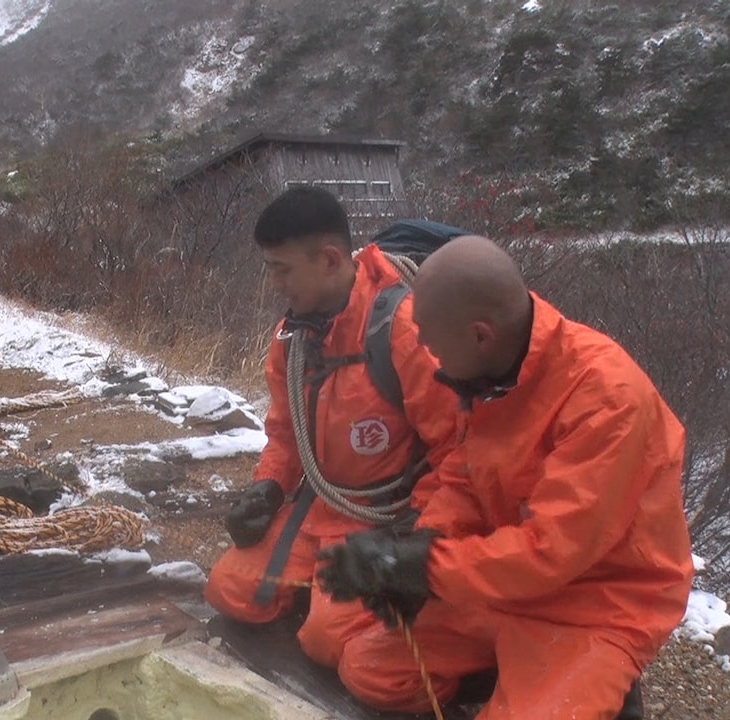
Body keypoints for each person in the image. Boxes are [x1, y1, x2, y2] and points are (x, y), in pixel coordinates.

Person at [317, 235, 694, 719]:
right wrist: (420, 544)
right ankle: (512, 674)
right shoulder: (488, 373)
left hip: (596, 602)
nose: (425, 351)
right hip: (501, 583)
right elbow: (464, 479)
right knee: (368, 670)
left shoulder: (607, 397)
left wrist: (419, 567)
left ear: (480, 334)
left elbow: (549, 552)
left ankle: (593, 684)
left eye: (429, 337)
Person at [203, 187, 459, 688]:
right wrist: (269, 487)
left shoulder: (404, 331)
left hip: (388, 519)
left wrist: (416, 545)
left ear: (329, 259)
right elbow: (285, 431)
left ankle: (398, 621)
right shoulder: (295, 339)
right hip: (318, 508)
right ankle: (318, 589)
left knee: (324, 642)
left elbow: (455, 451)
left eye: (282, 269)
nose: (274, 283)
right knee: (228, 591)